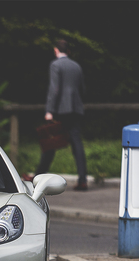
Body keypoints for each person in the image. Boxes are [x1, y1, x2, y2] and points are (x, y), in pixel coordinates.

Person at [36, 39, 88, 191]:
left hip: (61, 109)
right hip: (76, 108)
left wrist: (49, 111)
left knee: (50, 141)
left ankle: (38, 176)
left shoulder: (55, 65)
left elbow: (54, 89)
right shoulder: (76, 66)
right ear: (69, 51)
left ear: (56, 50)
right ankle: (83, 179)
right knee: (77, 143)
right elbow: (83, 89)